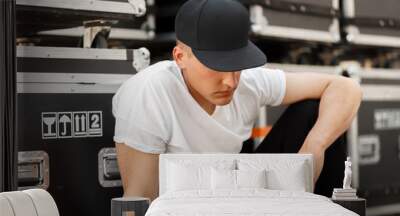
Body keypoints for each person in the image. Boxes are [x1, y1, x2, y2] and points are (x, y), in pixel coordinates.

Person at [112, 0, 362, 201]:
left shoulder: (247, 81)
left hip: (239, 191)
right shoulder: (149, 93)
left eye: (236, 66)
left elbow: (344, 87)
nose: (230, 82)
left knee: (313, 112)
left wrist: (314, 148)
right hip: (183, 212)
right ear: (180, 57)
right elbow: (140, 201)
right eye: (217, 67)